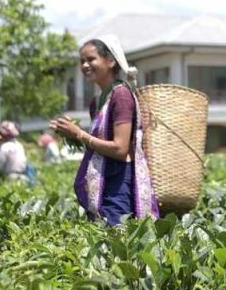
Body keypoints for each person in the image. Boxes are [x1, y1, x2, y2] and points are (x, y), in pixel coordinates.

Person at [49, 35, 158, 226]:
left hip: (119, 181)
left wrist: (79, 134)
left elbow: (119, 148)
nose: (84, 65)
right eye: (82, 61)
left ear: (110, 61)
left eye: (91, 59)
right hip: (103, 180)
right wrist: (73, 134)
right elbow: (97, 143)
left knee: (118, 241)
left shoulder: (121, 96)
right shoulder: (97, 102)